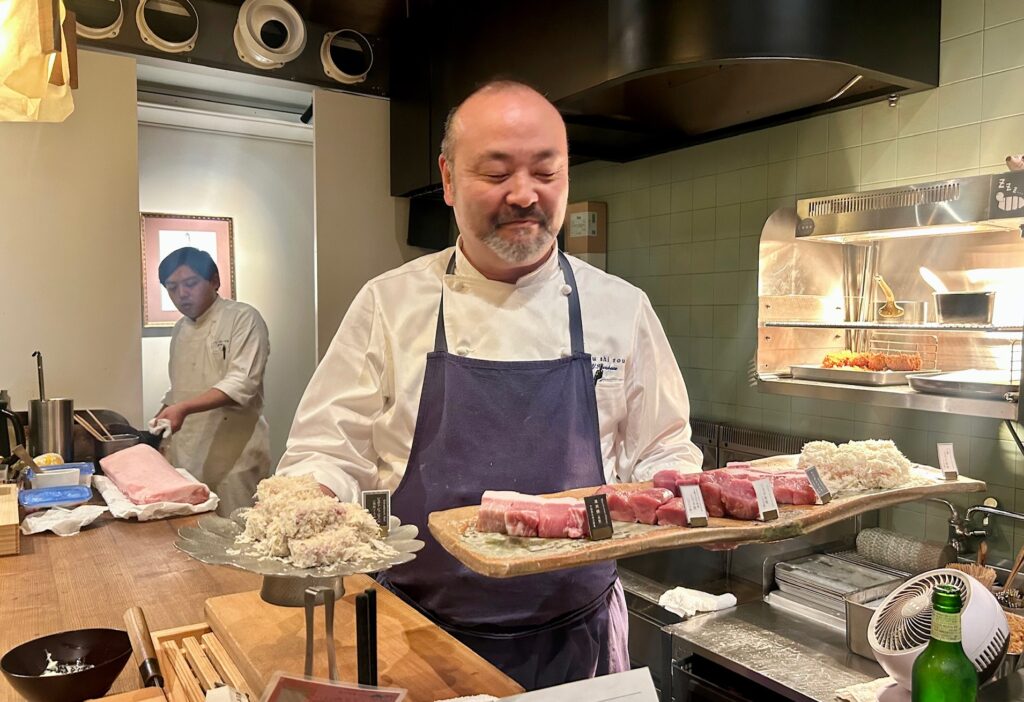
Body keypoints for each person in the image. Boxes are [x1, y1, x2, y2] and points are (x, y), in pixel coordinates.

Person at [278, 80, 702, 689]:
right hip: (420, 634)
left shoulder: (622, 308)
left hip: (577, 639)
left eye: (546, 172)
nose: (524, 194)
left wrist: (690, 499)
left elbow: (663, 449)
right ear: (448, 179)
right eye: (497, 172)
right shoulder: (388, 304)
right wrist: (310, 500)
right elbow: (326, 449)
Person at [155, 247, 271, 515]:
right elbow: (179, 388)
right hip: (188, 451)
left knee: (238, 529)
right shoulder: (179, 329)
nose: (181, 294)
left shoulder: (243, 317)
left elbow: (242, 383)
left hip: (236, 452)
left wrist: (183, 408)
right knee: (193, 531)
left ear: (215, 281)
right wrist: (163, 416)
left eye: (190, 283)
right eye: (172, 287)